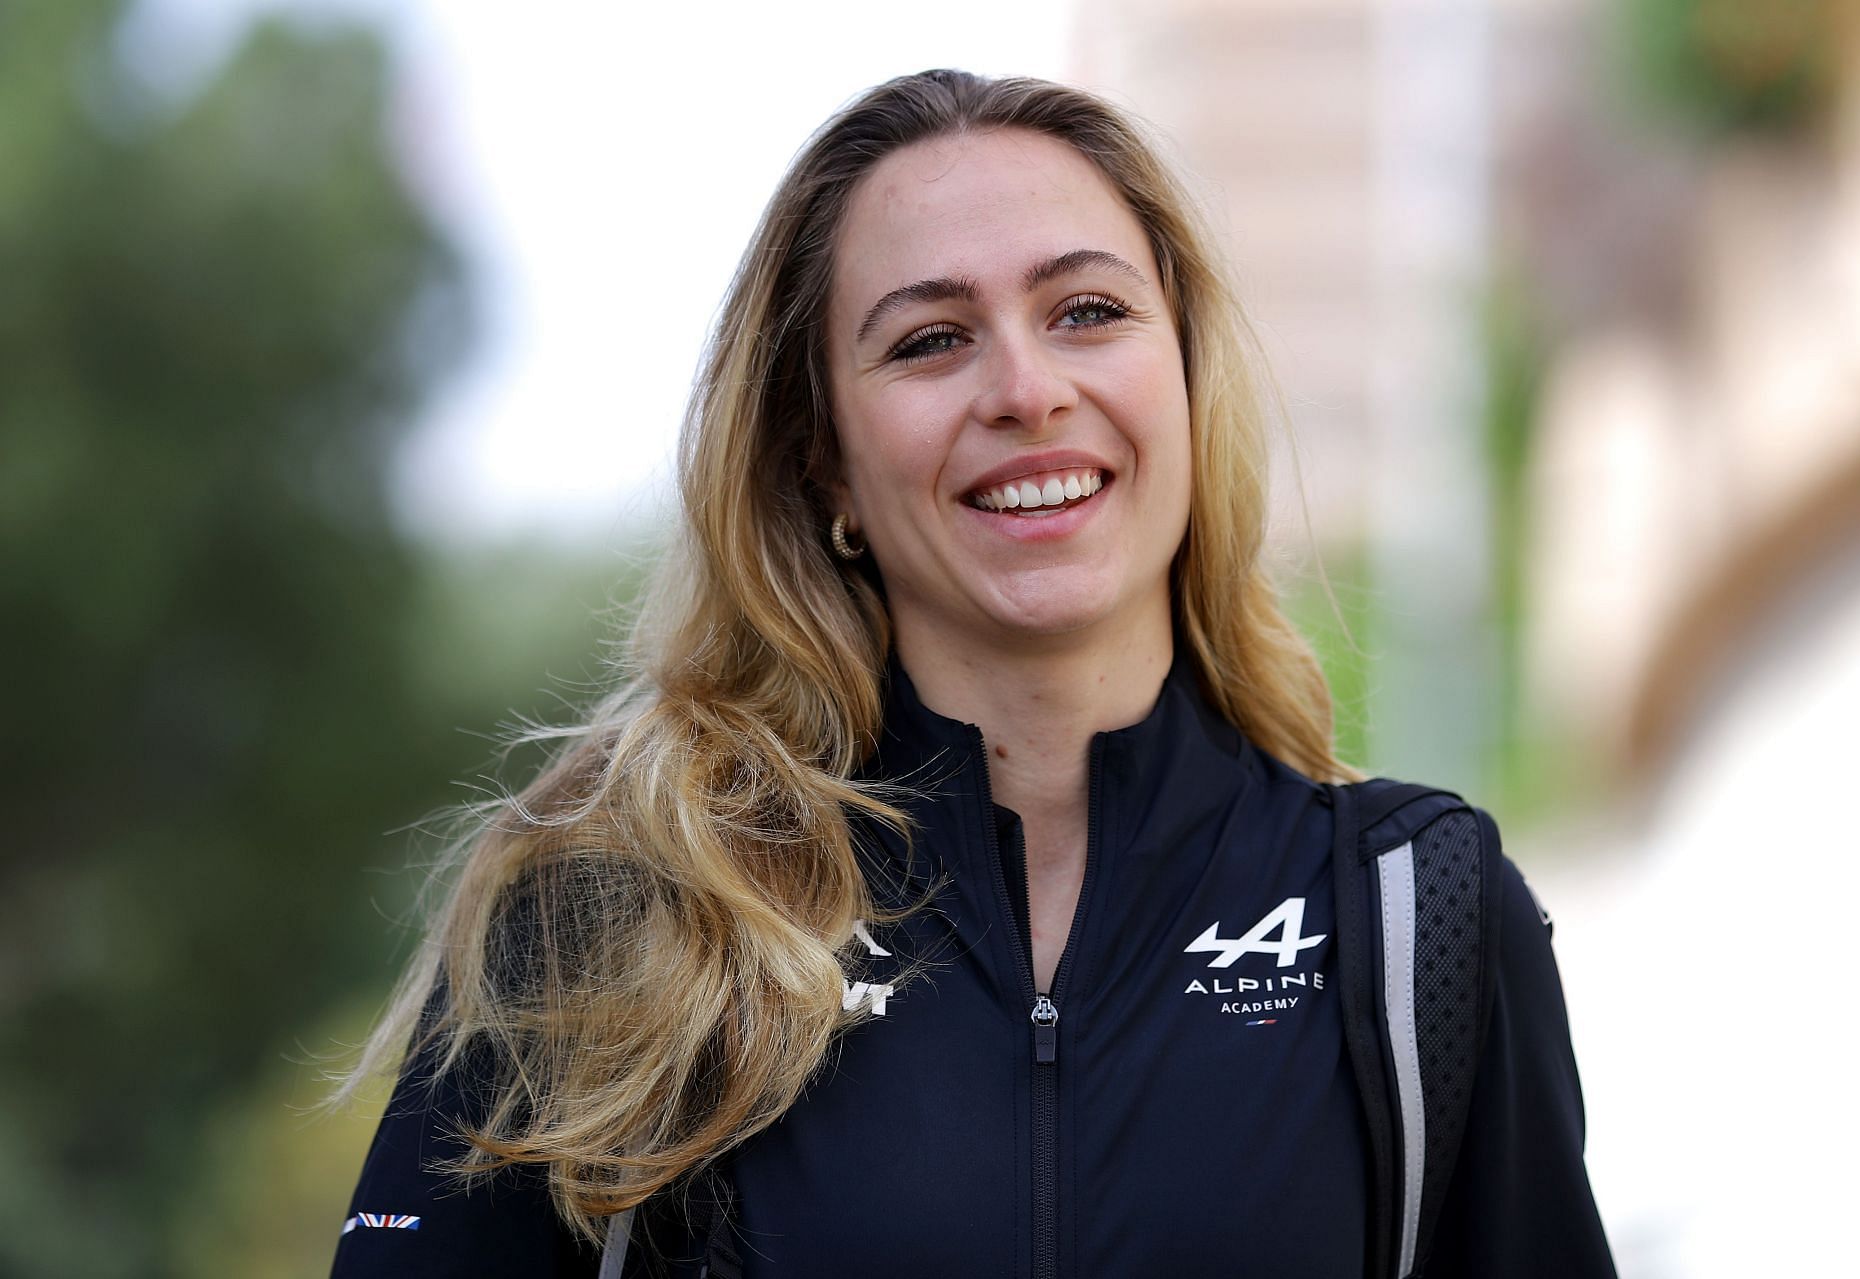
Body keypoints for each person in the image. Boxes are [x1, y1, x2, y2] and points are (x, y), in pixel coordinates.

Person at [329, 69, 1615, 1278]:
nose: (1026, 387)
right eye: (932, 340)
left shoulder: (1415, 920)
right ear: (822, 458)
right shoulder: (609, 910)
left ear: (1184, 375)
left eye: (1089, 312)